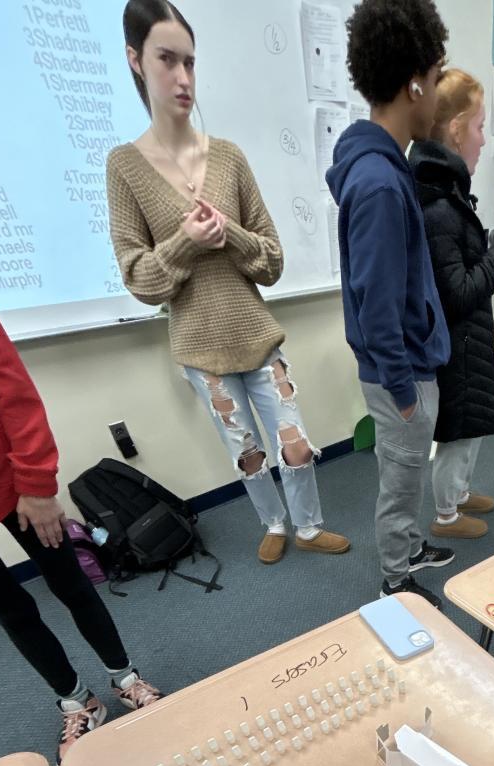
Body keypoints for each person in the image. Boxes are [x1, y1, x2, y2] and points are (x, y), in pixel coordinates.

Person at [108, 0, 350, 567]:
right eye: (167, 59)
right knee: (247, 453)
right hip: (201, 348)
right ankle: (274, 522)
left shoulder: (228, 158)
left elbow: (272, 260)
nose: (183, 77)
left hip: (256, 335)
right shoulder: (125, 166)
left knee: (295, 445)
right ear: (135, 60)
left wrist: (228, 234)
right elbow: (139, 278)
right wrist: (186, 241)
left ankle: (308, 526)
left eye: (190, 62)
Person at [0, 267, 160, 762]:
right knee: (9, 609)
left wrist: (35, 481)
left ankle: (125, 677)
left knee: (70, 583)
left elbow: (3, 372)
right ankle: (77, 701)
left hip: (6, 477)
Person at [326, 0, 453, 607]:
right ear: (414, 83)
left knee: (408, 471)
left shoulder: (384, 166)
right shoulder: (378, 182)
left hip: (408, 363)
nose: (439, 93)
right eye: (437, 75)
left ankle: (408, 546)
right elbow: (376, 306)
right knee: (400, 478)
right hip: (397, 374)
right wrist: (403, 391)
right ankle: (395, 579)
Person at [410, 69, 494, 540]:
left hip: (469, 342)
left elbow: (462, 265)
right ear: (457, 130)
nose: (484, 139)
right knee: (457, 433)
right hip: (457, 345)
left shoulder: (449, 193)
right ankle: (445, 516)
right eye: (479, 126)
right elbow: (457, 292)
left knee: (472, 425)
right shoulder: (439, 206)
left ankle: (458, 494)